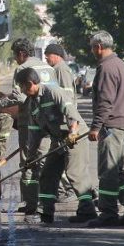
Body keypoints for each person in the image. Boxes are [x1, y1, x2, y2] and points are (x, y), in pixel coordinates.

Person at [0, 38, 55, 222]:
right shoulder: (48, 68)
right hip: (48, 121)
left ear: (22, 54)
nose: (16, 59)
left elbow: (17, 96)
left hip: (30, 123)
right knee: (45, 160)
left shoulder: (23, 70)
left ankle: (32, 204)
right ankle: (44, 202)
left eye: (15, 55)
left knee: (29, 163)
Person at [15, 68, 97, 224]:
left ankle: (88, 210)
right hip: (58, 141)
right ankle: (45, 212)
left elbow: (71, 113)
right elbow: (35, 134)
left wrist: (73, 132)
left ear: (30, 84)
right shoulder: (32, 104)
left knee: (75, 173)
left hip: (75, 137)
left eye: (21, 86)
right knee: (48, 174)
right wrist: (30, 159)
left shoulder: (53, 92)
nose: (21, 90)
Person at [87, 30, 124, 227]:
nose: (92, 51)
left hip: (111, 125)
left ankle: (108, 213)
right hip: (121, 124)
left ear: (98, 47)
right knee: (117, 171)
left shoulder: (107, 67)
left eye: (92, 47)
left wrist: (95, 126)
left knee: (108, 172)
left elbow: (105, 101)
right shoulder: (119, 64)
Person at [43, 43, 77, 203]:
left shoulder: (61, 69)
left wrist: (70, 122)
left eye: (47, 55)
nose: (46, 59)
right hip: (61, 123)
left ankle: (70, 191)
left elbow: (67, 96)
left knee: (62, 157)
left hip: (64, 122)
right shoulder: (56, 69)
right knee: (60, 157)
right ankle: (64, 190)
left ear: (55, 55)